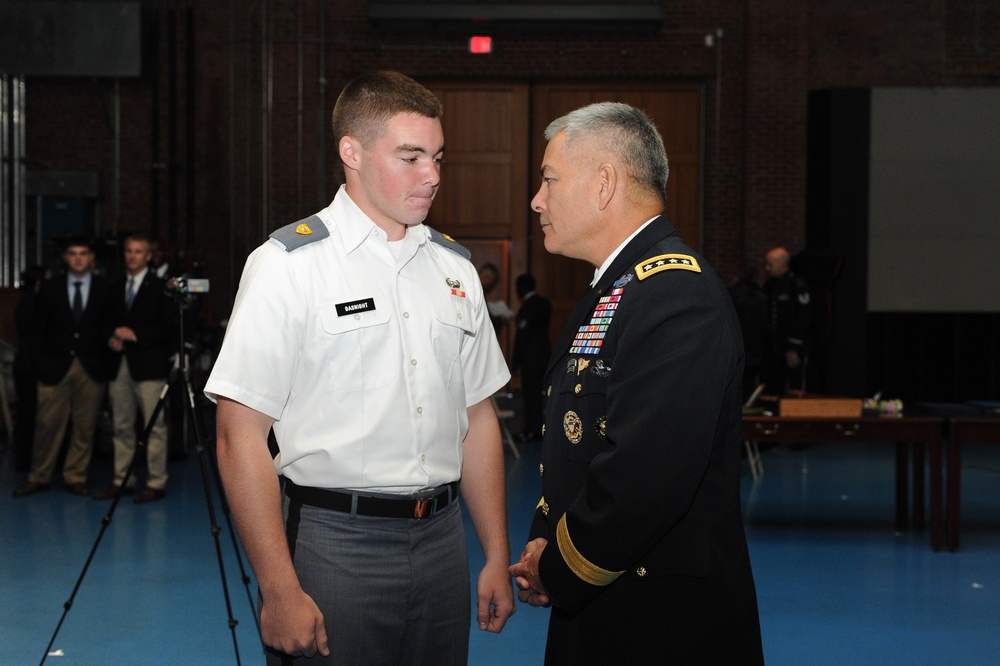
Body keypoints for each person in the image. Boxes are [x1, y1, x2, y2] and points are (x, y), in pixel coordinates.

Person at [204, 70, 515, 664]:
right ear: (352, 151)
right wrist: (278, 589)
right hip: (334, 543)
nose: (433, 176)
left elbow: (477, 416)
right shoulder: (288, 266)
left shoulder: (454, 269)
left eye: (438, 156)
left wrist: (494, 554)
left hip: (443, 540)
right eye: (411, 156)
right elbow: (237, 434)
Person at [508, 102, 764, 664]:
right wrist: (544, 539)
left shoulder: (676, 294)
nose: (537, 199)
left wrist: (556, 568)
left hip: (658, 619)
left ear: (605, 183)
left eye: (549, 179)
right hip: (605, 592)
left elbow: (645, 474)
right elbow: (578, 442)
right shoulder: (618, 289)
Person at [14, 238, 116, 497]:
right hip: (54, 365)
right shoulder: (49, 288)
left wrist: (107, 361)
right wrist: (39, 363)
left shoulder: (106, 288)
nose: (78, 258)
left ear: (91, 258)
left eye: (83, 253)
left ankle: (75, 476)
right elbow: (36, 330)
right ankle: (39, 476)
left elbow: (109, 325)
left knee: (85, 426)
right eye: (73, 254)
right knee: (47, 424)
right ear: (65, 258)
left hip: (91, 366)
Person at [94, 234, 175, 503]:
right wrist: (111, 337)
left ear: (148, 256)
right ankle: (122, 480)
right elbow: (104, 321)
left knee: (154, 426)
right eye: (129, 251)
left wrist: (136, 334)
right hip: (120, 365)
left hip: (150, 366)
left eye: (138, 251)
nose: (132, 256)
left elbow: (169, 327)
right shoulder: (115, 286)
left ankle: (156, 481)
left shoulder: (160, 287)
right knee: (121, 426)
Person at [11, 265, 50, 472]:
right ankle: (27, 460)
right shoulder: (34, 304)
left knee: (26, 414)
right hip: (31, 366)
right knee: (31, 415)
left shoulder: (24, 303)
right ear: (39, 282)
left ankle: (24, 460)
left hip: (24, 364)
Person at [762, 245, 812, 395]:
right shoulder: (770, 286)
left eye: (770, 264)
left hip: (793, 349)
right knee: (774, 389)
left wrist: (793, 347)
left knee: (795, 390)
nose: (767, 268)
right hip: (775, 349)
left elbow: (804, 316)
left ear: (782, 263)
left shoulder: (797, 284)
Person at [510, 273, 551, 441]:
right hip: (544, 354)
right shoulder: (545, 303)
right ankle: (540, 427)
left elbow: (522, 336)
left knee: (531, 395)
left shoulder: (527, 307)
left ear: (521, 288)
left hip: (530, 358)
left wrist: (514, 362)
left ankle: (532, 430)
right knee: (541, 396)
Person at [728, 266, 768, 402]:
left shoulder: (730, 294)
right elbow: (765, 325)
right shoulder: (760, 296)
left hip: (734, 346)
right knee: (751, 385)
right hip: (755, 347)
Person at [478, 262, 513, 336]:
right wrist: (501, 319)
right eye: (492, 283)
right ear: (487, 278)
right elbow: (486, 322)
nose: (490, 287)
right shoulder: (479, 291)